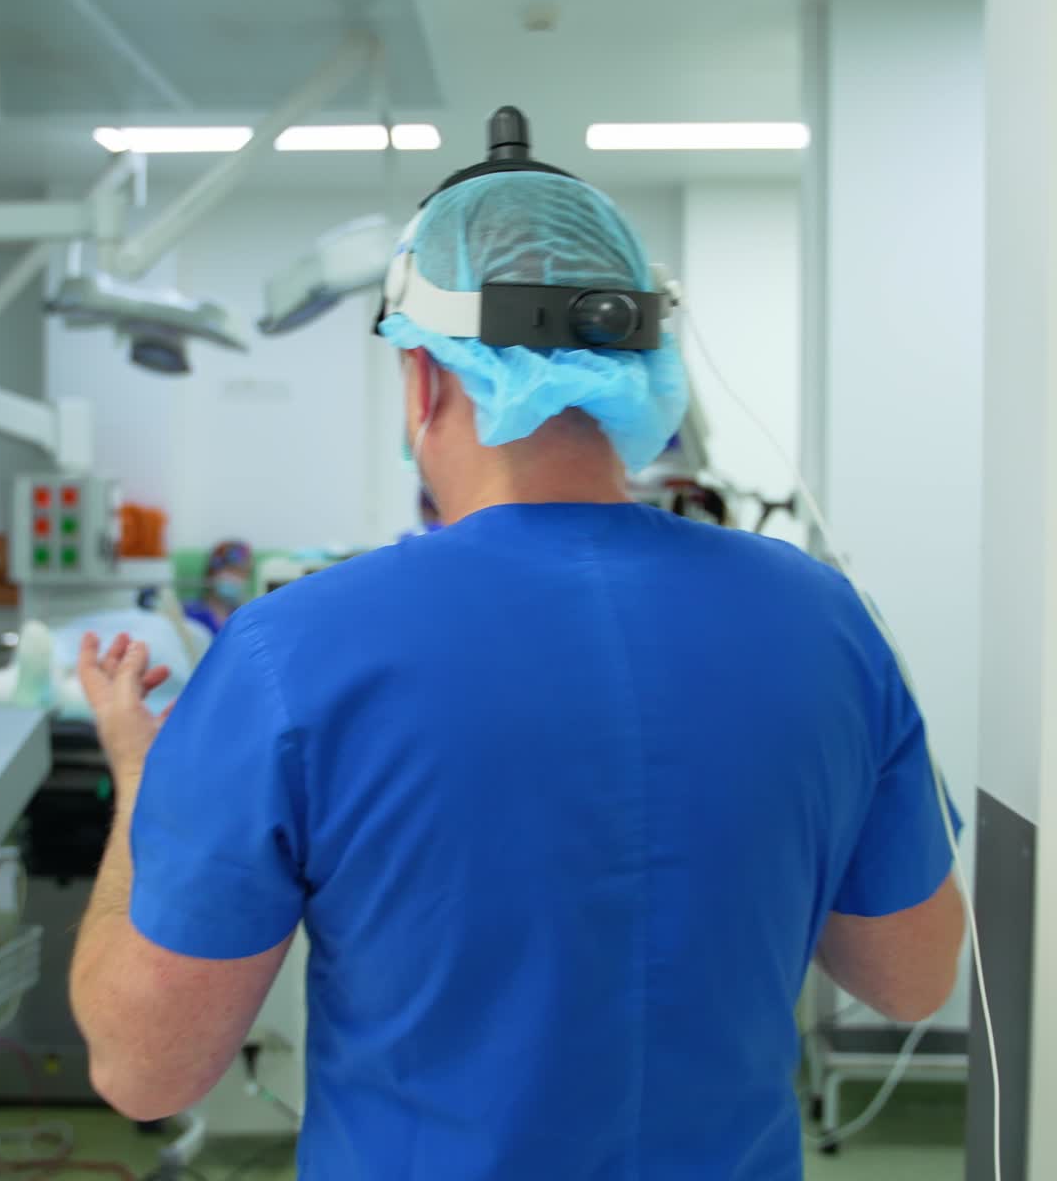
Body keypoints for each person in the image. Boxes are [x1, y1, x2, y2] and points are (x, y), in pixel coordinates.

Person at [68, 132, 964, 1180]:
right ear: (644, 360)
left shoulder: (291, 653)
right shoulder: (819, 619)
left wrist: (139, 777)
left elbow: (144, 1068)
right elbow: (910, 976)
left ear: (422, 379)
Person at [182, 539, 252, 636]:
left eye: (243, 573)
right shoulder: (189, 613)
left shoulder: (243, 618)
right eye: (231, 570)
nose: (237, 579)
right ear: (213, 572)